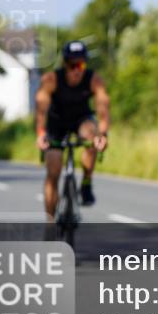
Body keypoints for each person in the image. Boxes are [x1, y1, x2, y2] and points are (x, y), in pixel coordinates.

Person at [35, 41, 110, 218]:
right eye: (72, 65)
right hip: (56, 122)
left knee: (92, 137)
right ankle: (50, 222)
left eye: (81, 64)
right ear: (65, 64)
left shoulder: (93, 79)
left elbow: (103, 109)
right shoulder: (51, 79)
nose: (77, 69)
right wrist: (40, 133)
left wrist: (103, 135)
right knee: (53, 170)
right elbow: (41, 109)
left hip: (81, 119)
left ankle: (86, 182)